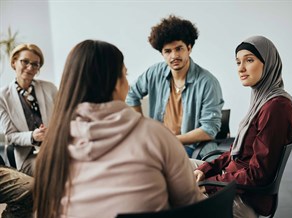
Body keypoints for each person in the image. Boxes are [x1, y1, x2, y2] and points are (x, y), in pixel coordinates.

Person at [33, 40, 204, 218]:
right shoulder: (155, 135)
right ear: (116, 83)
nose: (174, 55)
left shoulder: (53, 144)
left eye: (178, 49)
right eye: (125, 74)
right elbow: (191, 203)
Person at [192, 36, 292, 218]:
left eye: (249, 60)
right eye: (238, 62)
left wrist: (210, 183)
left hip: (244, 198)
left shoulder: (276, 107)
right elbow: (238, 153)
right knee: (180, 166)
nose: (241, 68)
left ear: (269, 63)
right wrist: (205, 170)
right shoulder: (262, 100)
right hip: (232, 182)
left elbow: (258, 174)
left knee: (174, 192)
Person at [126, 15, 224, 159]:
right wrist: (142, 128)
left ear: (189, 48)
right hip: (158, 145)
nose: (174, 56)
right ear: (162, 53)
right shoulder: (154, 73)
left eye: (179, 49)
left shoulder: (208, 82)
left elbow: (209, 130)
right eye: (168, 51)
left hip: (191, 146)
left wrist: (172, 140)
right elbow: (132, 95)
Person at [0, 43, 58, 176]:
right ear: (14, 62)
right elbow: (10, 136)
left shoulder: (50, 88)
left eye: (35, 64)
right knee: (53, 167)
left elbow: (63, 117)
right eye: (25, 61)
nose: (30, 67)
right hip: (29, 157)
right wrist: (33, 136)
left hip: (55, 148)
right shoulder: (2, 97)